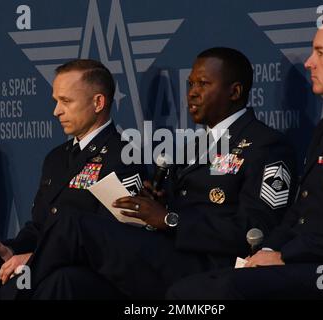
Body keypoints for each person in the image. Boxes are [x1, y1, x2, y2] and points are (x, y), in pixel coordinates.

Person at [17, 47, 296, 299]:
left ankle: (18, 288)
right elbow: (174, 212)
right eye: (190, 84)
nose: (192, 92)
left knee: (73, 224)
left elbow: (256, 229)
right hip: (166, 253)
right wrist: (157, 205)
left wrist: (169, 219)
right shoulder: (191, 146)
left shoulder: (266, 145)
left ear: (234, 92)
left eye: (203, 84)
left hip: (209, 265)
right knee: (65, 282)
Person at [166, 12, 323, 300]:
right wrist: (268, 250)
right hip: (312, 259)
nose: (309, 62)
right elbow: (301, 209)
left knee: (202, 292)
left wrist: (287, 255)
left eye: (320, 52)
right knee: (190, 287)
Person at [0, 59, 145, 299]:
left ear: (98, 102)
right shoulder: (56, 158)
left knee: (51, 283)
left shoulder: (123, 156)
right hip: (42, 264)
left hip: (88, 272)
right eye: (56, 101)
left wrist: (37, 261)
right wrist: (11, 251)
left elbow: (111, 242)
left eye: (66, 101)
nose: (56, 111)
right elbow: (40, 226)